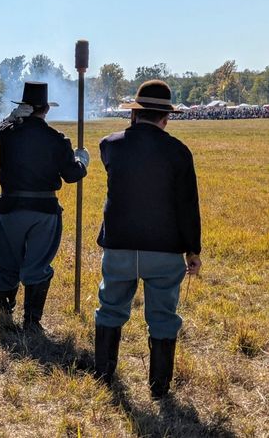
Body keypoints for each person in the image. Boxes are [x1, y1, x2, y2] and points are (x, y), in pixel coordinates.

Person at [94, 80, 202, 399]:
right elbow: (188, 207)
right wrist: (193, 250)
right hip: (165, 250)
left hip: (119, 246)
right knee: (163, 317)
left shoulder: (109, 145)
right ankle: (159, 387)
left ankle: (103, 376)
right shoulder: (179, 153)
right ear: (166, 117)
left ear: (134, 114)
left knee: (110, 309)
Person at [0, 81, 89, 331]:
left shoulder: (8, 133)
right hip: (43, 210)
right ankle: (32, 321)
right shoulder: (57, 140)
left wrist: (11, 118)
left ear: (24, 107)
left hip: (11, 207)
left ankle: (5, 312)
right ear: (46, 109)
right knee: (37, 266)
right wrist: (82, 161)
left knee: (7, 262)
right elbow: (71, 176)